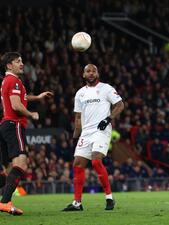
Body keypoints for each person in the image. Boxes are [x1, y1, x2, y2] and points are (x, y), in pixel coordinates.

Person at [62, 64, 124, 211]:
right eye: (88, 71)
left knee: (96, 161)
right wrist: (75, 137)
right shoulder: (80, 93)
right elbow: (78, 118)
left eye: (93, 71)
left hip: (102, 130)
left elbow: (120, 105)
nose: (91, 73)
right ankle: (77, 203)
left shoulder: (106, 88)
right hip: (86, 133)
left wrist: (108, 119)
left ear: (98, 74)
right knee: (77, 164)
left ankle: (109, 198)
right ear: (83, 75)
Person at [0, 52, 53, 215]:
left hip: (4, 125)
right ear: (9, 65)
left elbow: (20, 97)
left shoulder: (8, 81)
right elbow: (16, 105)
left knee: (8, 168)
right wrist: (31, 114)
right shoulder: (14, 81)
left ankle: (6, 202)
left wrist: (37, 97)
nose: (22, 64)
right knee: (21, 164)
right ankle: (4, 202)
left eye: (21, 60)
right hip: (14, 125)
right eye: (18, 61)